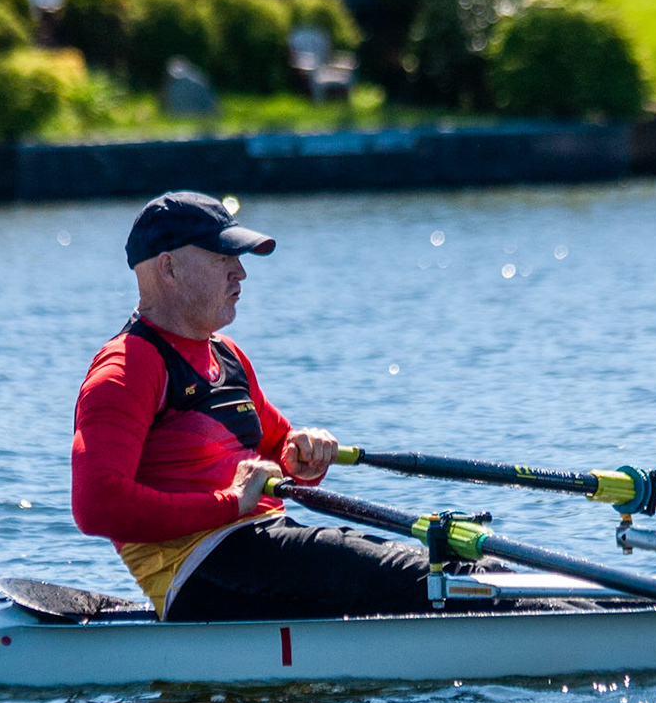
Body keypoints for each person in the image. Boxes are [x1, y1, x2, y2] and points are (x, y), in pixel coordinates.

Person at [71, 191, 443, 620]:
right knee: (425, 576)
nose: (241, 272)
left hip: (262, 548)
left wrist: (303, 454)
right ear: (168, 268)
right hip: (201, 571)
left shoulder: (227, 355)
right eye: (222, 258)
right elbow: (96, 504)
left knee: (446, 568)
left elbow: (279, 447)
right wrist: (229, 502)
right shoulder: (127, 367)